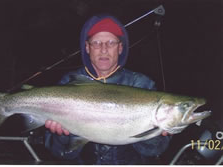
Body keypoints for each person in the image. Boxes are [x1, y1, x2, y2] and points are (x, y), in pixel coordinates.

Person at [44, 14, 171, 165]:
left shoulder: (141, 83)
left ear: (120, 47)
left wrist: (153, 134)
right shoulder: (69, 82)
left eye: (111, 43)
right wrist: (62, 136)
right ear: (87, 47)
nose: (104, 49)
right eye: (96, 43)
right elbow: (61, 154)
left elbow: (154, 151)